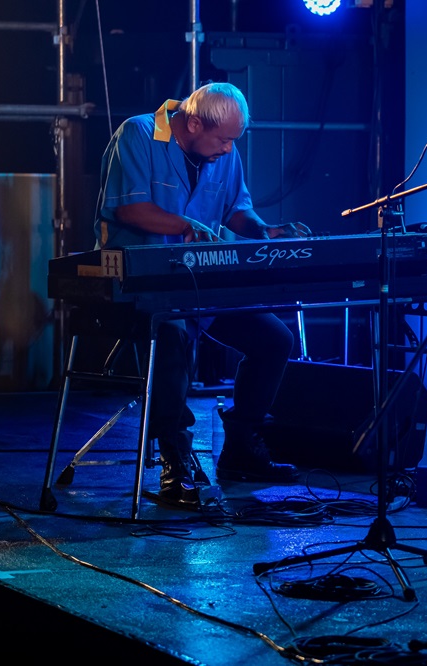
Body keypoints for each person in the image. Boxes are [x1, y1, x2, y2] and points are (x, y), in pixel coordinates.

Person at [94, 81, 312, 509]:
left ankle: (241, 449)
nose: (229, 149)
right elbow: (129, 209)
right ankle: (175, 458)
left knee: (274, 339)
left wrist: (264, 230)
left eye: (233, 140)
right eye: (224, 140)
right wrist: (186, 226)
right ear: (194, 124)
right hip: (139, 285)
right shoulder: (138, 134)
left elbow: (237, 210)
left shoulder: (223, 152)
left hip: (199, 281)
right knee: (171, 334)